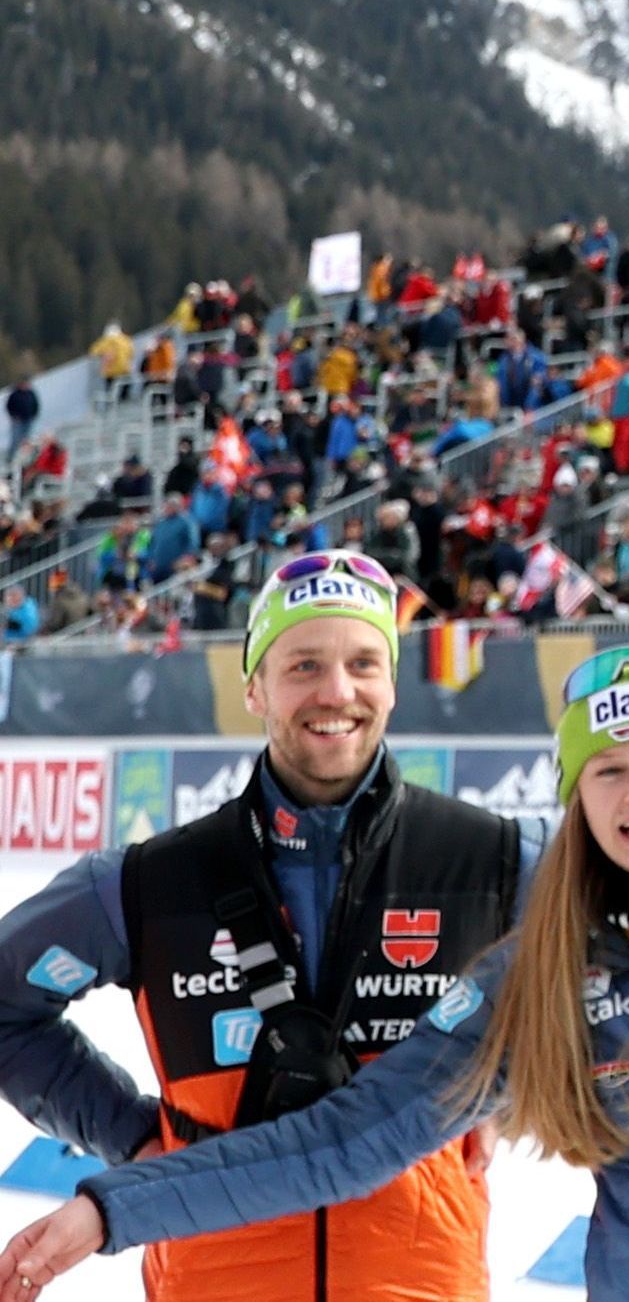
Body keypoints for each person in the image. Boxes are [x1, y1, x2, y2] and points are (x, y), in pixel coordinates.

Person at [0, 646, 629, 1302]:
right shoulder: (545, 965)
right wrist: (114, 1204)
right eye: (608, 770)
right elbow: (351, 1135)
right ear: (575, 795)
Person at [0, 551, 524, 1302]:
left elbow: (601, 1001)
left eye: (363, 663)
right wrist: (132, 1135)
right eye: (304, 665)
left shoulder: (495, 861)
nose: (336, 691)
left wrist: (502, 1094)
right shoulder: (146, 882)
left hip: (418, 1282)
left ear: (392, 684)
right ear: (255, 686)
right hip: (210, 1279)